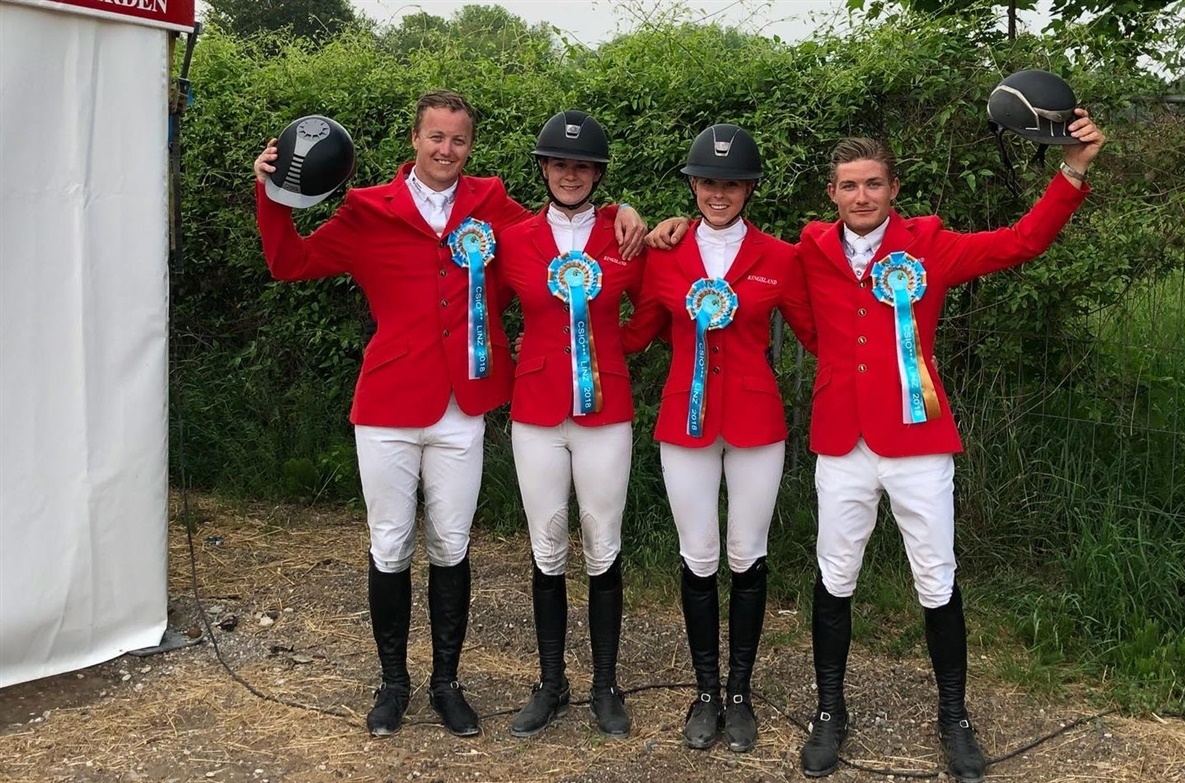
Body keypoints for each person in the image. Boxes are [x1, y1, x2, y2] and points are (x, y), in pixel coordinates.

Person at [252, 90, 646, 739]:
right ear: (415, 139)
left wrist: (622, 210)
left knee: (451, 544)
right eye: (436, 137)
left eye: (458, 140)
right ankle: (393, 685)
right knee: (390, 543)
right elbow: (288, 261)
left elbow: (562, 228)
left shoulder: (492, 204)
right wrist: (273, 194)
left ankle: (447, 685)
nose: (446, 149)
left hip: (464, 404)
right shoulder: (366, 209)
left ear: (471, 146)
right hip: (388, 402)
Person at [794, 109, 1104, 782]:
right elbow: (758, 275)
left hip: (917, 439)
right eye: (849, 185)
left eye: (873, 183)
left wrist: (1072, 169)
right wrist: (669, 227)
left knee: (935, 575)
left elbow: (1021, 241)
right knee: (835, 573)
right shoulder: (811, 247)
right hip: (842, 440)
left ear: (894, 188)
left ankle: (955, 716)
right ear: (832, 193)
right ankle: (829, 710)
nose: (861, 196)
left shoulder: (928, 244)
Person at [622, 124, 817, 753]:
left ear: (749, 188)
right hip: (685, 424)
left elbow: (818, 333)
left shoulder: (781, 257)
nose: (718, 193)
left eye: (731, 183)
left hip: (756, 423)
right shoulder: (665, 253)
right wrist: (565, 338)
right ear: (693, 185)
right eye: (707, 181)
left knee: (746, 553)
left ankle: (739, 692)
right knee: (699, 553)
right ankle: (705, 691)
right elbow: (637, 332)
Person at [495, 111, 644, 740]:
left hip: (605, 414)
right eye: (560, 164)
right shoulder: (514, 238)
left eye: (583, 166)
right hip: (536, 410)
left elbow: (654, 308)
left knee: (602, 543)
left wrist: (615, 351)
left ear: (598, 174)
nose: (571, 174)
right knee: (547, 545)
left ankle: (605, 684)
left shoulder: (624, 235)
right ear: (544, 169)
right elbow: (480, 307)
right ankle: (551, 681)